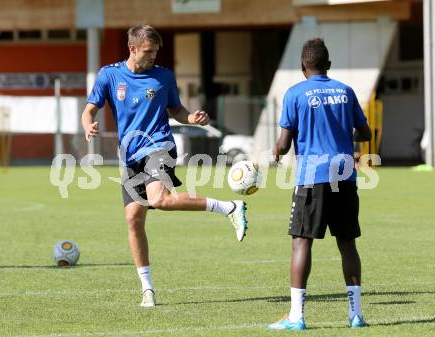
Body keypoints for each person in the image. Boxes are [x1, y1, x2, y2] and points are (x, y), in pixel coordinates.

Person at [81, 25, 248, 308]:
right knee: (134, 220)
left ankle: (229, 208)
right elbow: (90, 109)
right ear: (132, 49)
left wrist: (192, 117)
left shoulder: (163, 76)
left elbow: (176, 110)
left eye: (156, 51)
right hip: (130, 155)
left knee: (160, 200)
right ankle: (148, 289)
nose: (153, 56)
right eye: (148, 51)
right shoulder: (109, 75)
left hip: (159, 146)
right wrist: (88, 126)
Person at [268, 38, 372, 330]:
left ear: (303, 66)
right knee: (347, 244)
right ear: (328, 65)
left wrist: (276, 152)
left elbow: (285, 144)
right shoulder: (345, 91)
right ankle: (356, 315)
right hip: (344, 176)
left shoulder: (295, 94)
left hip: (312, 177)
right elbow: (364, 133)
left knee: (302, 243)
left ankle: (297, 317)